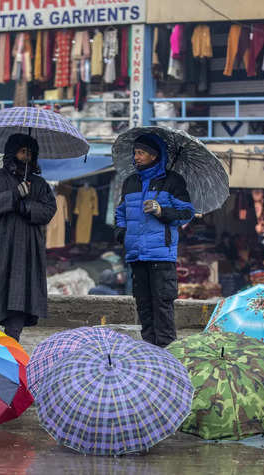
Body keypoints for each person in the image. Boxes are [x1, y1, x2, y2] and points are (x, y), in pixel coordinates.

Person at [0, 133, 57, 341]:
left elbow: (48, 211)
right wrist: (14, 195)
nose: (26, 157)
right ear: (12, 153)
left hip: (25, 251)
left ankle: (12, 347)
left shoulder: (39, 185)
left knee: (19, 298)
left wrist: (26, 206)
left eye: (30, 153)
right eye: (22, 151)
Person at [114, 134, 194, 347]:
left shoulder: (173, 181)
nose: (136, 157)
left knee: (162, 304)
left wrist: (162, 211)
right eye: (135, 153)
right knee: (144, 306)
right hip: (136, 254)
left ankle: (167, 350)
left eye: (141, 153)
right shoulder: (131, 182)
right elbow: (120, 213)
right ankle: (149, 349)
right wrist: (122, 234)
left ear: (154, 155)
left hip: (161, 254)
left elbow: (186, 212)